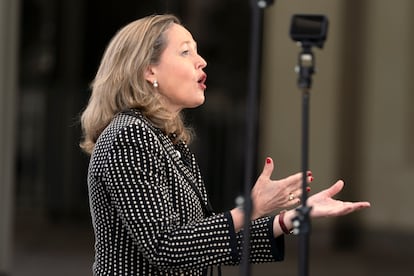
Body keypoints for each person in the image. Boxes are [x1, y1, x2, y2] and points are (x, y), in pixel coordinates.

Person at [79, 14, 370, 276]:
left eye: (197, 50)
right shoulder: (129, 136)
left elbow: (203, 242)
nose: (201, 60)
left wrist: (287, 220)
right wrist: (251, 209)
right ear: (149, 71)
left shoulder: (163, 141)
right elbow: (166, 248)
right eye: (185, 52)